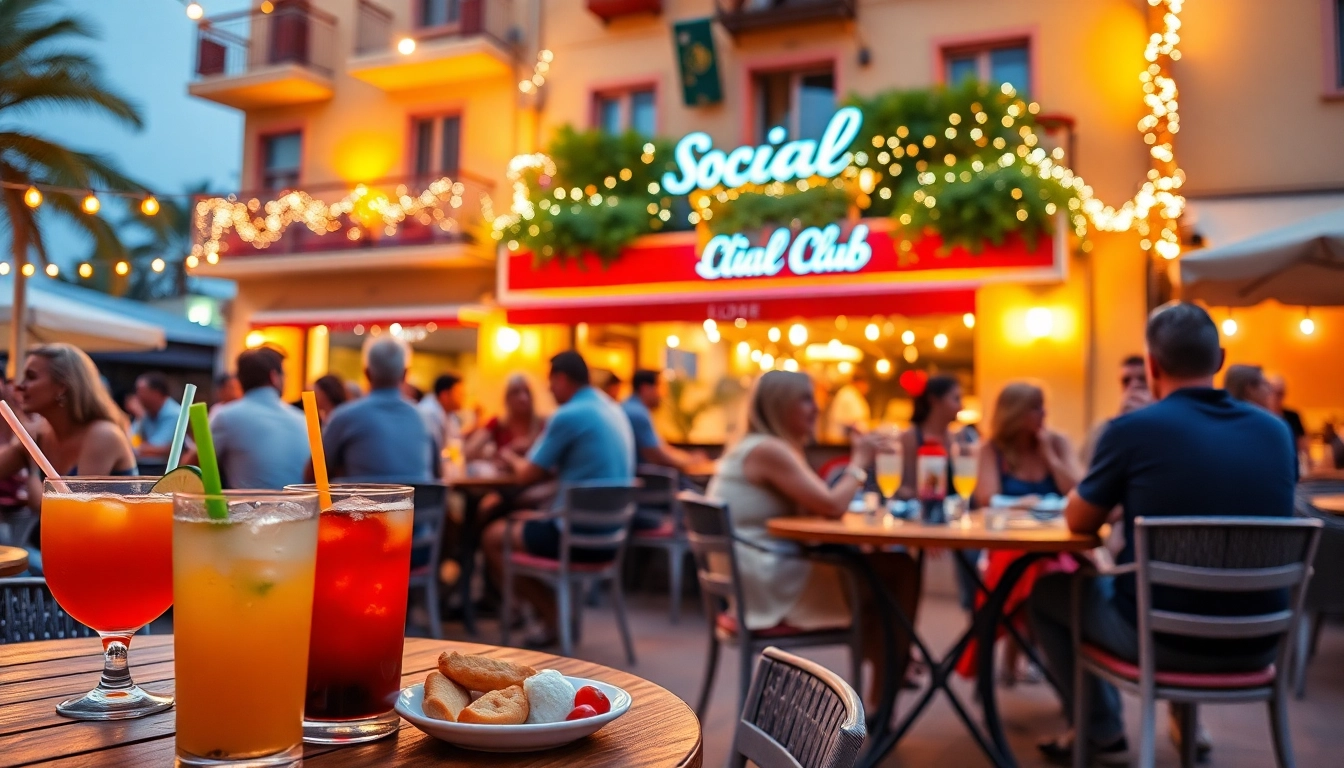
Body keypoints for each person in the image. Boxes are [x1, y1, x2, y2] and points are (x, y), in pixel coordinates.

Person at [1029, 302, 1297, 765]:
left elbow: (1078, 522)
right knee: (1178, 587)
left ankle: (1102, 732)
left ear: (1152, 366)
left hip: (1160, 641)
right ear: (1220, 360)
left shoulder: (1132, 430)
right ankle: (1168, 728)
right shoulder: (1276, 433)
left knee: (1047, 592)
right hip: (1259, 642)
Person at [707, 370, 921, 710]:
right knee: (899, 571)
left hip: (755, 574)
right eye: (806, 399)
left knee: (884, 582)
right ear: (780, 405)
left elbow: (817, 506)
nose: (817, 408)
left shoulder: (759, 447)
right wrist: (859, 460)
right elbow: (832, 506)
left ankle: (889, 674)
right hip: (769, 582)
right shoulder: (769, 450)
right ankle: (887, 690)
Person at [482, 351, 635, 645]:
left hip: (574, 537)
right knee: (522, 518)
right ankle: (551, 615)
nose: (549, 390)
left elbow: (526, 475)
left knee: (492, 537)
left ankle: (551, 615)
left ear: (562, 379)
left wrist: (509, 455)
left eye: (550, 382)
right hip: (612, 537)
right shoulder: (613, 408)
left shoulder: (568, 415)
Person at [961, 383, 1082, 685]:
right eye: (1035, 408)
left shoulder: (1057, 443)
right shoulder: (992, 450)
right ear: (1015, 413)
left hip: (1058, 545)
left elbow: (1079, 493)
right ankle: (1041, 659)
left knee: (1049, 571)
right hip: (1008, 545)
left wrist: (1051, 458)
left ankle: (1026, 655)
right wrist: (1028, 503)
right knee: (1032, 572)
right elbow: (986, 499)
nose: (1044, 414)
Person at [0, 345, 137, 511]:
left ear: (62, 387)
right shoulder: (39, 434)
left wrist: (33, 472)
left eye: (31, 377)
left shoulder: (103, 435)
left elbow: (70, 512)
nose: (19, 386)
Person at [315, 337, 439, 483]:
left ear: (367, 373)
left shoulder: (344, 417)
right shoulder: (425, 420)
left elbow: (316, 473)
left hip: (361, 498)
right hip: (418, 499)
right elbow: (437, 475)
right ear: (405, 374)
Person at [210, 347, 310, 490]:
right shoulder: (303, 419)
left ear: (239, 381)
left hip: (249, 504)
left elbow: (192, 469)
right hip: (302, 503)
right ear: (274, 377)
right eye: (284, 375)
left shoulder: (225, 416)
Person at [622, 369, 706, 474]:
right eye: (660, 387)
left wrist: (688, 458)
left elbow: (662, 447)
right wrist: (691, 461)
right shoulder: (637, 413)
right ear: (645, 388)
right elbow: (658, 455)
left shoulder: (630, 407)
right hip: (643, 478)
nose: (664, 394)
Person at [896, 374, 963, 500]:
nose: (961, 406)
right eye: (956, 399)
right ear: (934, 400)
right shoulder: (910, 438)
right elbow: (905, 488)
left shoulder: (957, 438)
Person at [1080, 355, 1152, 466]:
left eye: (1142, 379)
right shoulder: (1102, 430)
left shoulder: (1166, 425)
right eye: (1126, 381)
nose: (1133, 385)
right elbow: (1085, 467)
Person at [465, 374, 546, 462]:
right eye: (516, 392)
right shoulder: (498, 423)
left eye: (527, 392)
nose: (523, 398)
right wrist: (498, 453)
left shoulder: (543, 424)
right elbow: (469, 451)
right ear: (506, 398)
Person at [131, 371, 180, 459]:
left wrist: (138, 447)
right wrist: (139, 418)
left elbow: (158, 448)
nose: (137, 396)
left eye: (141, 391)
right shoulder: (145, 412)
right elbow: (131, 441)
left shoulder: (174, 413)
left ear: (156, 393)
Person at [1266, 373, 1309, 461]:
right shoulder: (1260, 418)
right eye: (1273, 391)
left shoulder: (1293, 417)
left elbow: (1303, 447)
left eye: (1280, 393)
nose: (1276, 397)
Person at [419, 373, 465, 452]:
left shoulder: (449, 414)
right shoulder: (429, 414)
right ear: (444, 395)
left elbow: (455, 439)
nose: (463, 398)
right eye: (459, 394)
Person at [825, 371, 871, 442]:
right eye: (866, 384)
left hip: (845, 439)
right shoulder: (848, 395)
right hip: (840, 440)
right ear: (860, 383)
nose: (867, 388)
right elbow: (855, 422)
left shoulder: (853, 394)